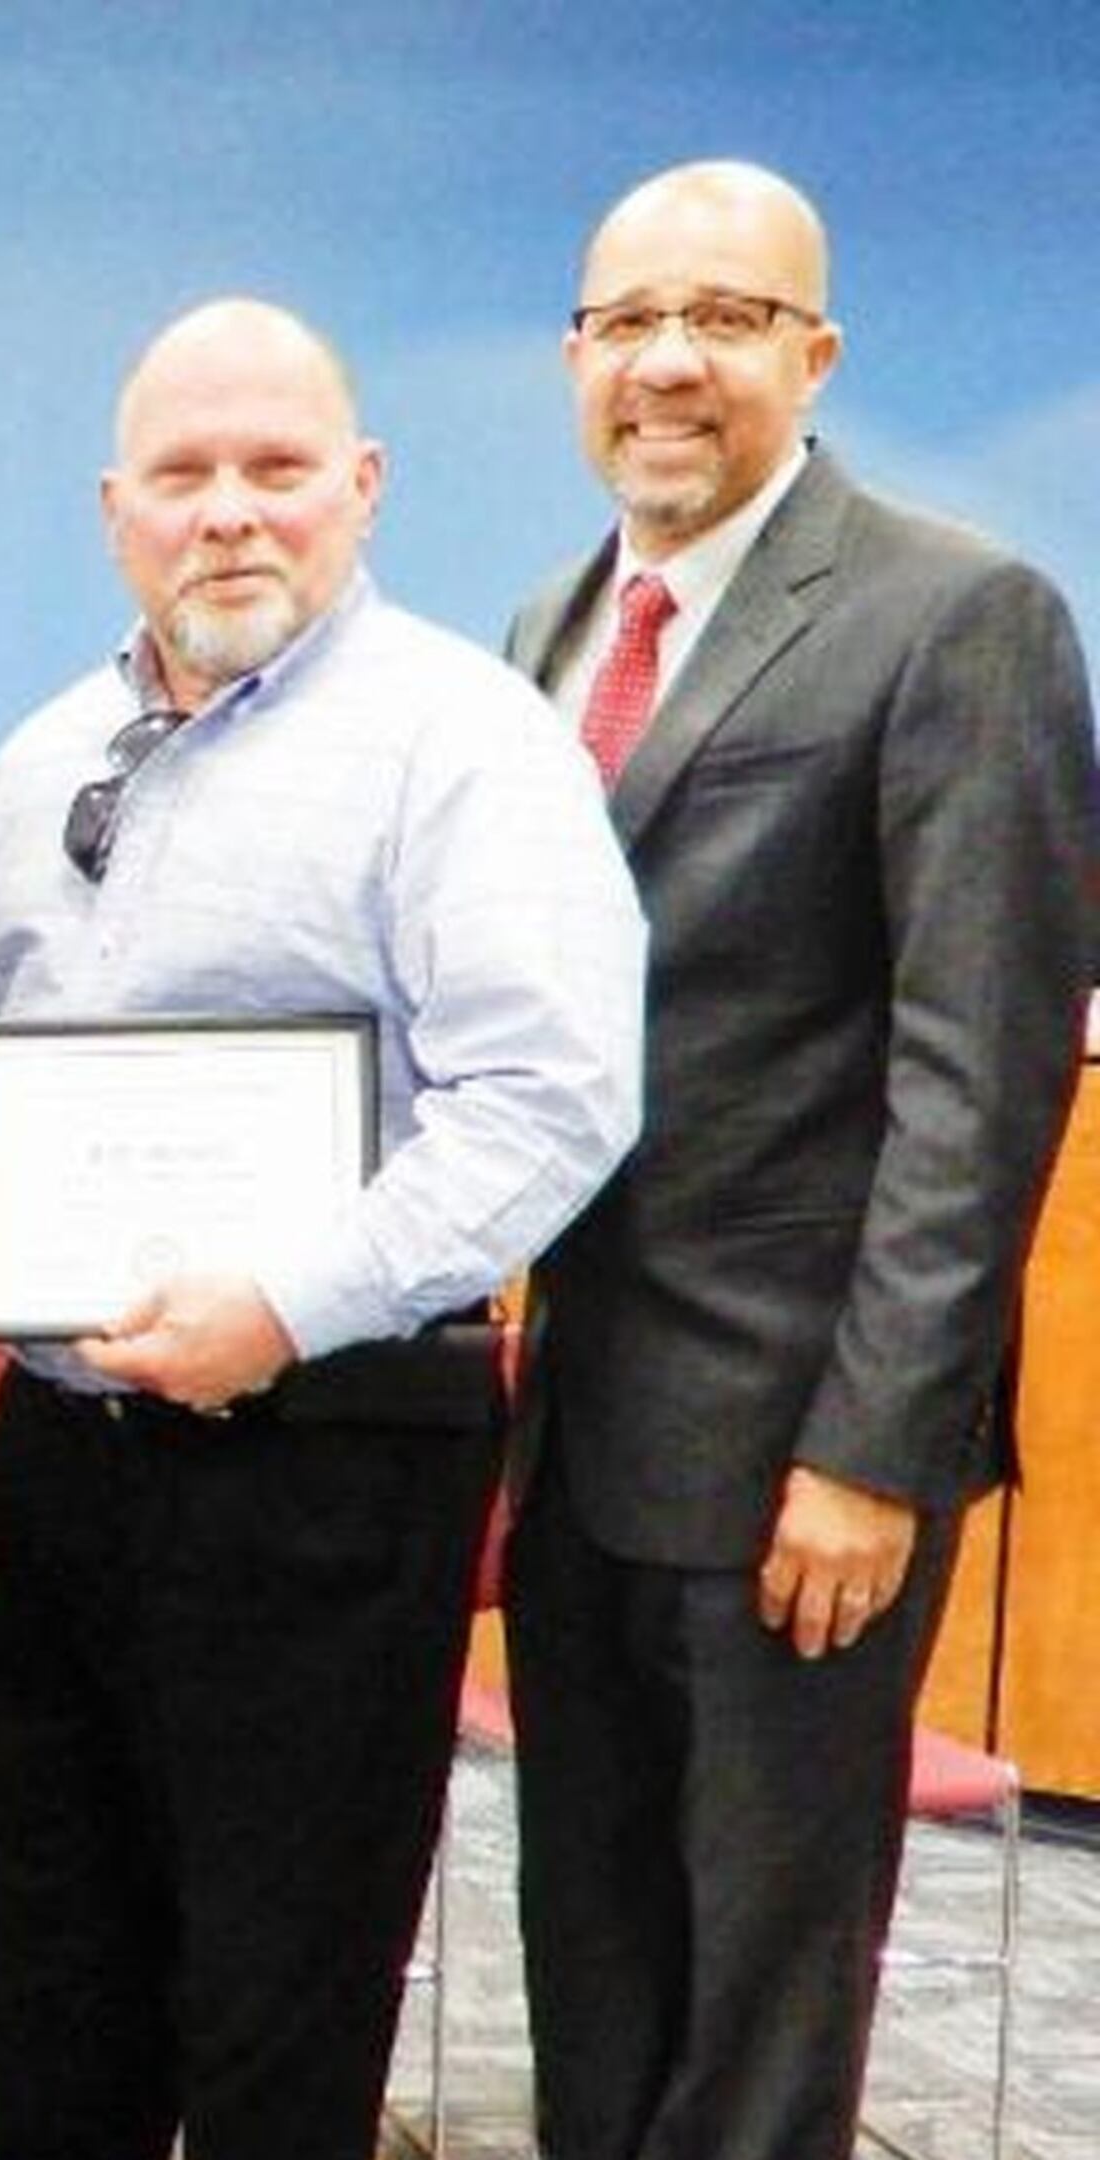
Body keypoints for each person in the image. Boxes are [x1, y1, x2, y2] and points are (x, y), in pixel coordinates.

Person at [0, 297, 644, 2160]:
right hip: (57, 1461)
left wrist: (288, 1301)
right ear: (114, 510)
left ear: (363, 488)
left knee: (276, 2021)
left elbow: (552, 1100)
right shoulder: (31, 765)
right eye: (185, 474)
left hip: (322, 1458)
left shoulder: (463, 747)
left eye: (278, 469)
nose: (230, 512)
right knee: (42, 1986)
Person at [502, 160, 1100, 2160]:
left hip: (794, 1463)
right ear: (576, 356)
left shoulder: (961, 615)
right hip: (578, 1430)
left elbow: (979, 1073)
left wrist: (874, 1454)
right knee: (592, 1950)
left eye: (729, 319)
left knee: (760, 2000)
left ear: (815, 352)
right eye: (628, 321)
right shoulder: (552, 623)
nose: (669, 361)